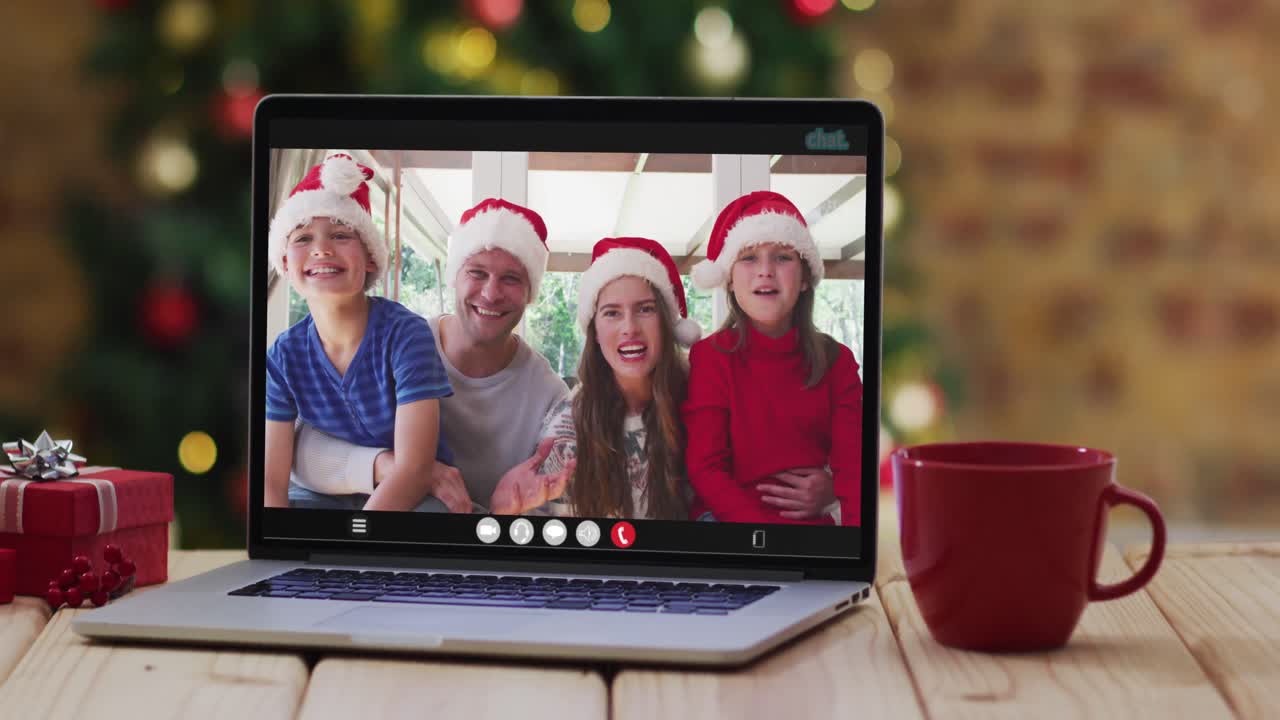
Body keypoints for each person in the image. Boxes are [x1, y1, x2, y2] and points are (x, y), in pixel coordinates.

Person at [287, 197, 574, 512]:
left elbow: (551, 513)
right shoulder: (396, 343)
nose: (491, 294)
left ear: (530, 292)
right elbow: (297, 447)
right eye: (477, 273)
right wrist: (397, 467)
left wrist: (504, 512)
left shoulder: (550, 397)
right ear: (454, 278)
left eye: (511, 279)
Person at [264, 154, 453, 512]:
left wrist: (356, 543)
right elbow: (271, 480)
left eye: (340, 234)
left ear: (370, 258)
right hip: (326, 491)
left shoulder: (405, 335)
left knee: (436, 517)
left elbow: (414, 469)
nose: (322, 248)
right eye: (303, 237)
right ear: (285, 264)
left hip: (412, 492)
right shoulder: (283, 355)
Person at [491, 237, 703, 519]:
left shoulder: (704, 400)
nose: (630, 327)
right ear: (596, 333)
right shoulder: (568, 423)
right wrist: (506, 514)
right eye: (612, 313)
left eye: (645, 309)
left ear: (666, 324)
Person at [684, 190, 862, 526]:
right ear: (730, 281)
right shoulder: (710, 358)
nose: (765, 270)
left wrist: (840, 504)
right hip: (727, 525)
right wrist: (766, 536)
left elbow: (854, 468)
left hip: (810, 530)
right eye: (749, 258)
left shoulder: (837, 361)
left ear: (806, 277)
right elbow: (706, 470)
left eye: (783, 257)